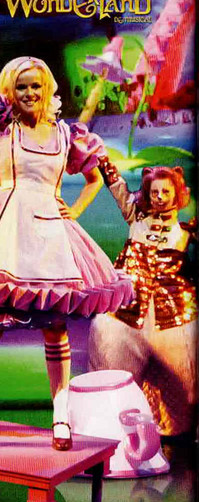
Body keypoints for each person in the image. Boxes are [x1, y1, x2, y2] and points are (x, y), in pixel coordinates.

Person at [0, 0, 133, 451]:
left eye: (35, 86)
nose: (28, 93)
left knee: (55, 326)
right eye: (21, 87)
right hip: (8, 233)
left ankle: (60, 419)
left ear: (47, 89)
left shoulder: (66, 133)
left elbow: (93, 178)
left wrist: (73, 211)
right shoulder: (3, 127)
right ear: (11, 91)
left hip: (52, 235)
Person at [89, 163, 197, 437]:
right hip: (128, 311)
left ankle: (175, 431)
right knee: (112, 358)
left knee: (181, 389)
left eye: (166, 192)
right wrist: (100, 159)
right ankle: (116, 427)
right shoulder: (136, 219)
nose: (160, 197)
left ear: (177, 194)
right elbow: (117, 187)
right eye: (154, 192)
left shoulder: (185, 232)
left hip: (171, 315)